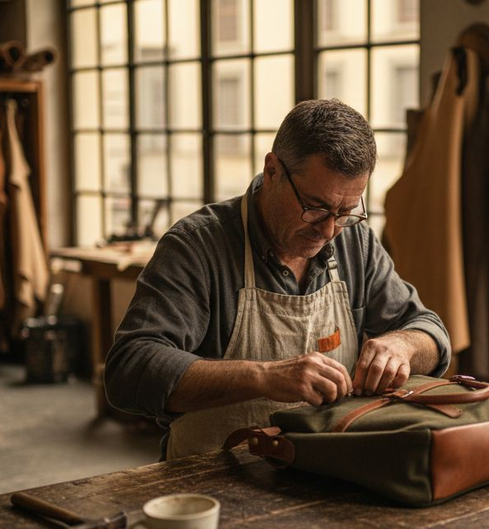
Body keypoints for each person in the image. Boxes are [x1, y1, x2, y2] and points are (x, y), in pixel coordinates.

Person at [104, 99, 450, 460]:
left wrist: (403, 346)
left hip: (326, 472)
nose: (329, 230)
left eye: (346, 212)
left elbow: (431, 331)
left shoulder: (354, 241)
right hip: (210, 479)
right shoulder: (197, 247)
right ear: (272, 171)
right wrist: (264, 377)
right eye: (315, 207)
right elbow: (130, 369)